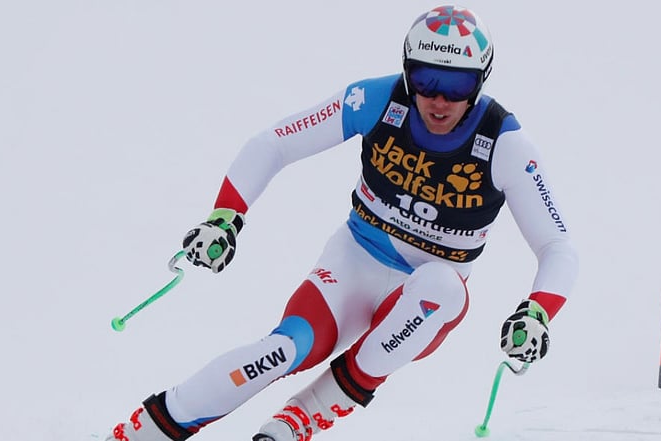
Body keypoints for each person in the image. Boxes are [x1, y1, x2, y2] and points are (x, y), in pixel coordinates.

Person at [105, 5, 578, 441]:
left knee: (443, 286)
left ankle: (303, 417)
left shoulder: (506, 144)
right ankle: (139, 433)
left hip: (425, 295)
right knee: (281, 352)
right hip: (354, 263)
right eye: (426, 80)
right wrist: (226, 216)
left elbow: (557, 247)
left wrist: (537, 311)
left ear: (480, 82)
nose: (438, 100)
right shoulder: (375, 99)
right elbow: (274, 143)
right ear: (406, 71)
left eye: (456, 87)